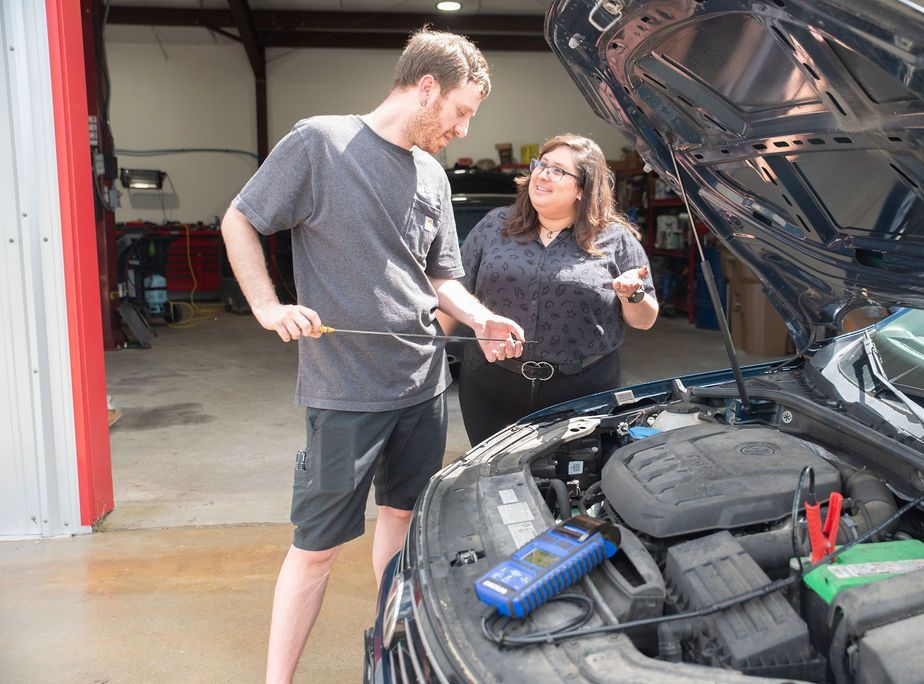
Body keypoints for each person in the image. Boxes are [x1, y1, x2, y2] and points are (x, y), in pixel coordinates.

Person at [220, 29, 524, 683]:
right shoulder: (320, 143)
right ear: (426, 88)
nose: (463, 129)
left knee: (403, 520)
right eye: (461, 112)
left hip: (422, 386)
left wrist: (480, 317)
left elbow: (441, 277)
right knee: (316, 547)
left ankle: (390, 651)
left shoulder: (432, 176)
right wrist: (268, 306)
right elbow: (239, 218)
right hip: (344, 391)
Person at [452, 134, 659, 446]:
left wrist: (632, 294)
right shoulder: (495, 225)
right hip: (491, 384)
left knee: (572, 474)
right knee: (493, 471)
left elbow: (644, 320)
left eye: (558, 170)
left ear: (582, 188)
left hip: (582, 391)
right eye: (541, 165)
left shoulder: (615, 239)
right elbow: (455, 288)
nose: (543, 174)